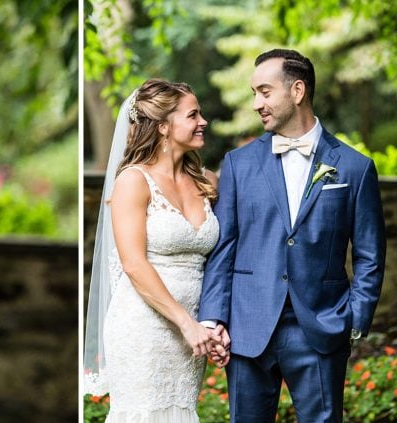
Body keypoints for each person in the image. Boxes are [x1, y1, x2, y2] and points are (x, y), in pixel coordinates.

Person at [198, 49, 385, 421]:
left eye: (265, 92)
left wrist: (354, 318)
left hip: (321, 327)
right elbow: (224, 248)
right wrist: (214, 317)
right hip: (248, 327)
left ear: (297, 90)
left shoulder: (355, 167)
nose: (256, 104)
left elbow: (370, 254)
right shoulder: (238, 164)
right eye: (254, 93)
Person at [83, 78, 229, 421]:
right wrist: (186, 323)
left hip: (192, 330)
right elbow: (133, 264)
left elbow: (222, 260)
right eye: (193, 115)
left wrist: (213, 323)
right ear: (163, 126)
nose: (203, 121)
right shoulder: (133, 181)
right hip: (145, 326)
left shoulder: (207, 182)